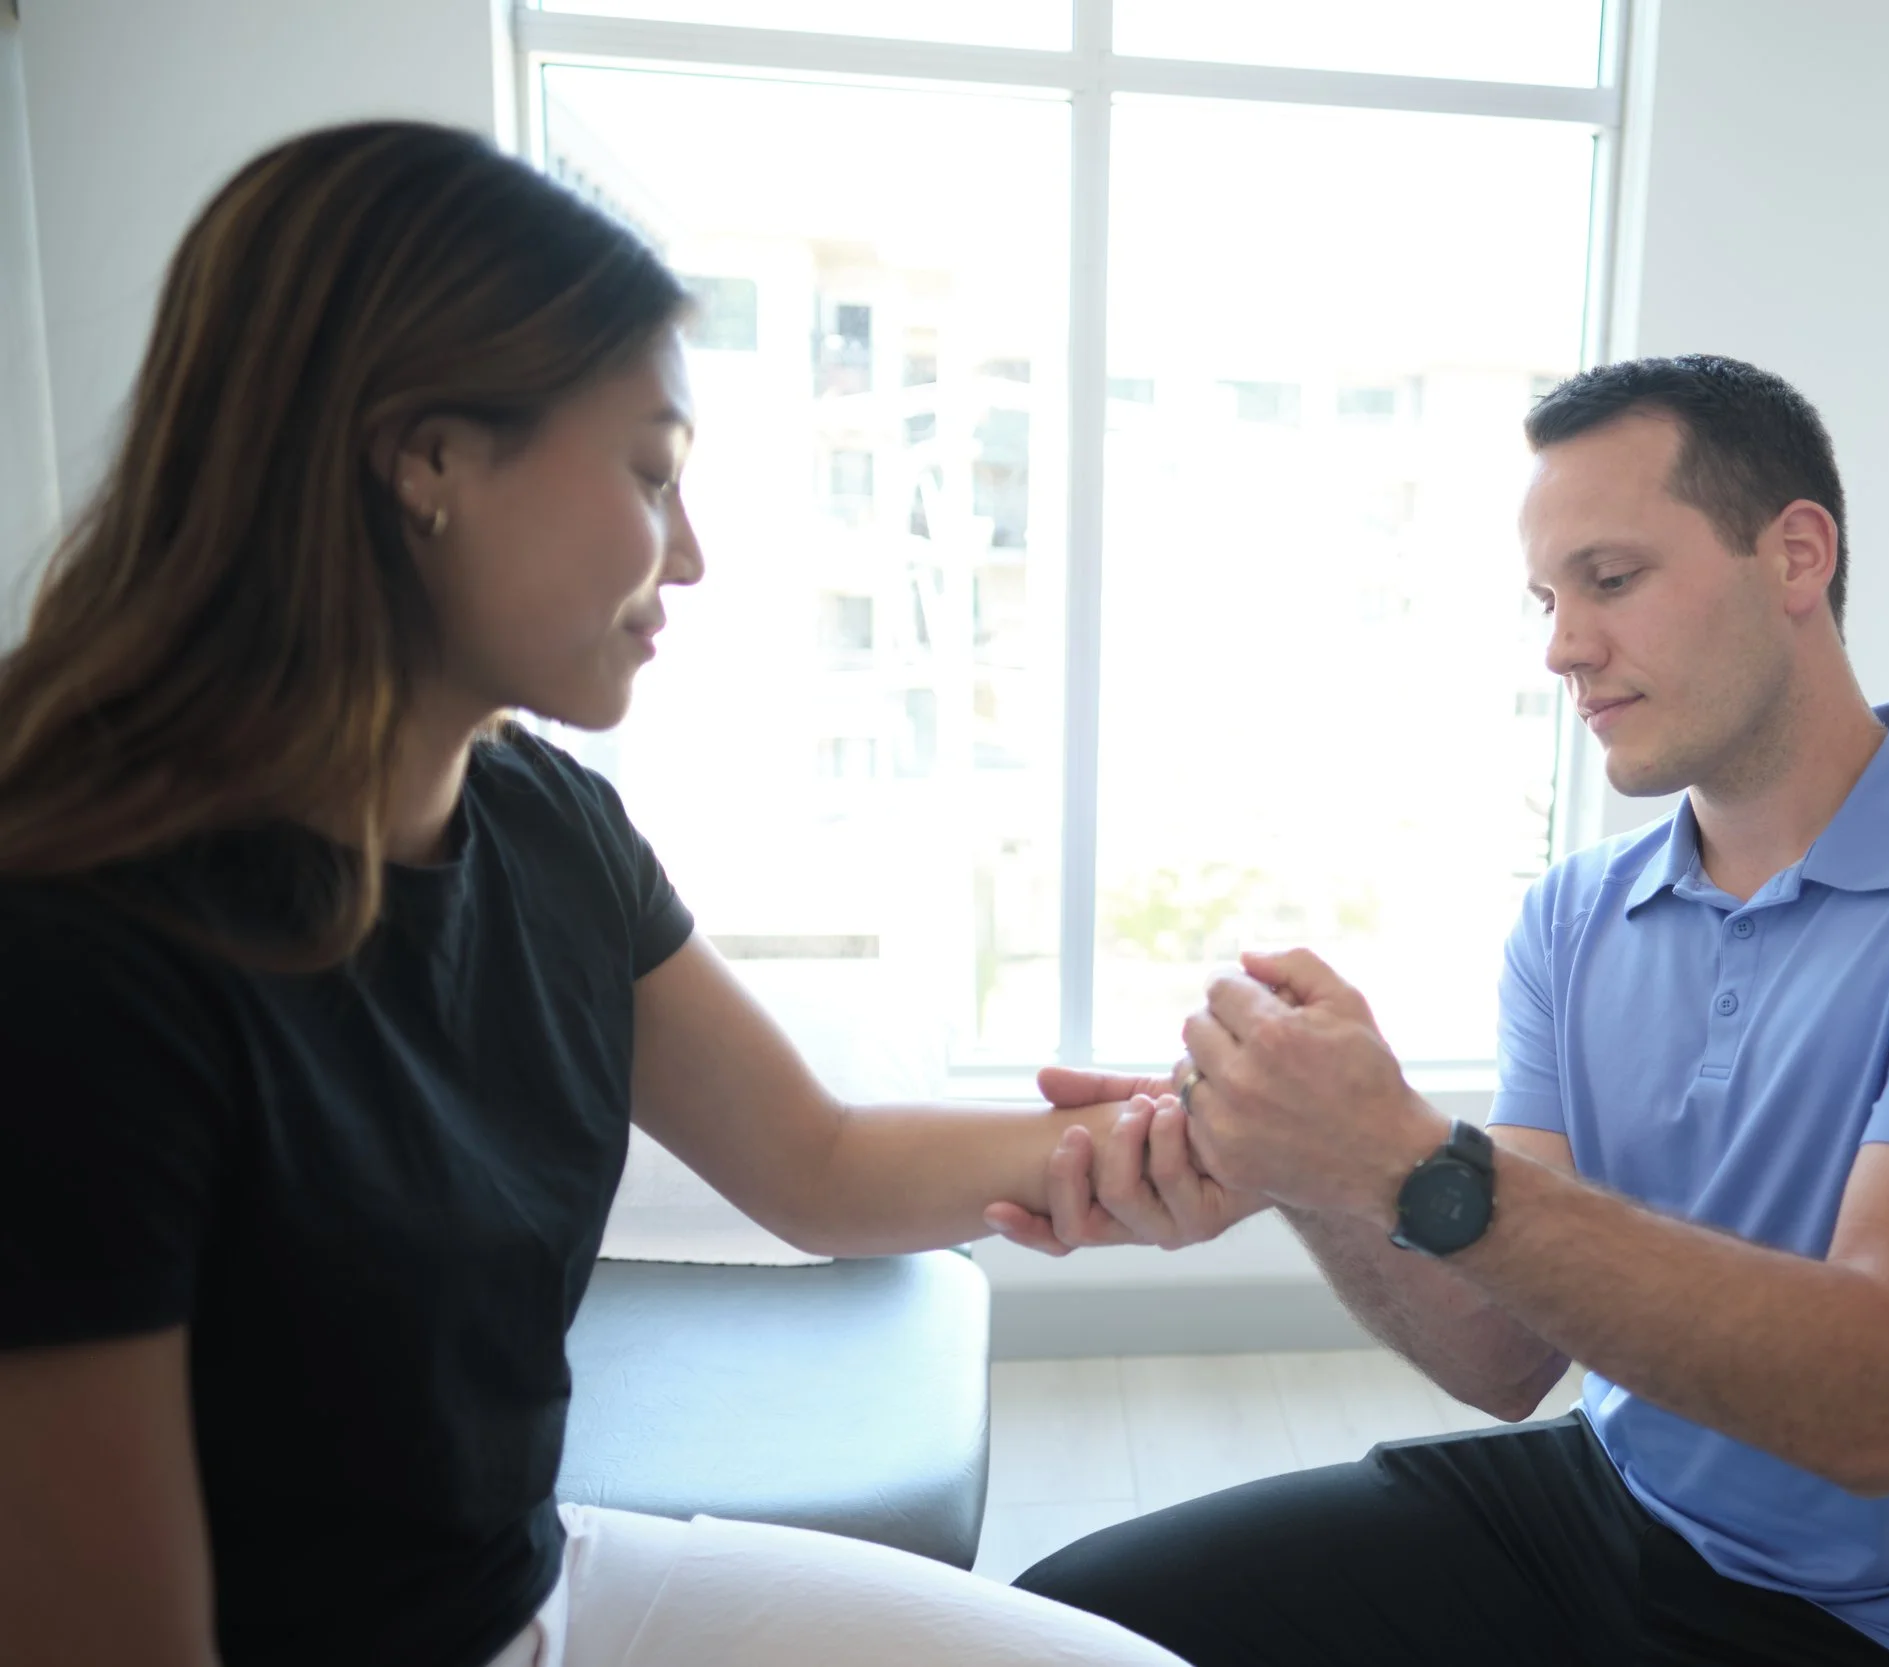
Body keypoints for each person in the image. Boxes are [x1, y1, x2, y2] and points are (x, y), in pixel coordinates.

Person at [0, 121, 1235, 1667]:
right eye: (652, 472)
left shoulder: (538, 823)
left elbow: (819, 1159)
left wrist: (1170, 1147)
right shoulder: (75, 954)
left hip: (528, 1582)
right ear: (427, 457)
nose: (694, 555)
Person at [998, 356, 1889, 1667]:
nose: (1563, 646)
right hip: (1619, 1509)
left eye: (1612, 579)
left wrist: (1403, 1156)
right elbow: (1500, 1356)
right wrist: (1297, 1163)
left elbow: (1886, 1402)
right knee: (1055, 1626)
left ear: (1796, 554)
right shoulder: (1575, 916)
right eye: (1546, 597)